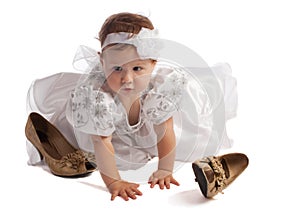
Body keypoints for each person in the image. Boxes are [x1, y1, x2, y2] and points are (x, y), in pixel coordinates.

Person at [25, 12, 248, 201]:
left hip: (139, 118)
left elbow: (164, 130)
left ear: (153, 64)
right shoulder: (96, 97)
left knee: (185, 135)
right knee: (94, 142)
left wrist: (164, 169)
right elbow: (102, 142)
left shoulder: (157, 89)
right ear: (102, 62)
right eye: (117, 69)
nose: (127, 79)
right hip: (100, 128)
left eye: (137, 69)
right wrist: (114, 182)